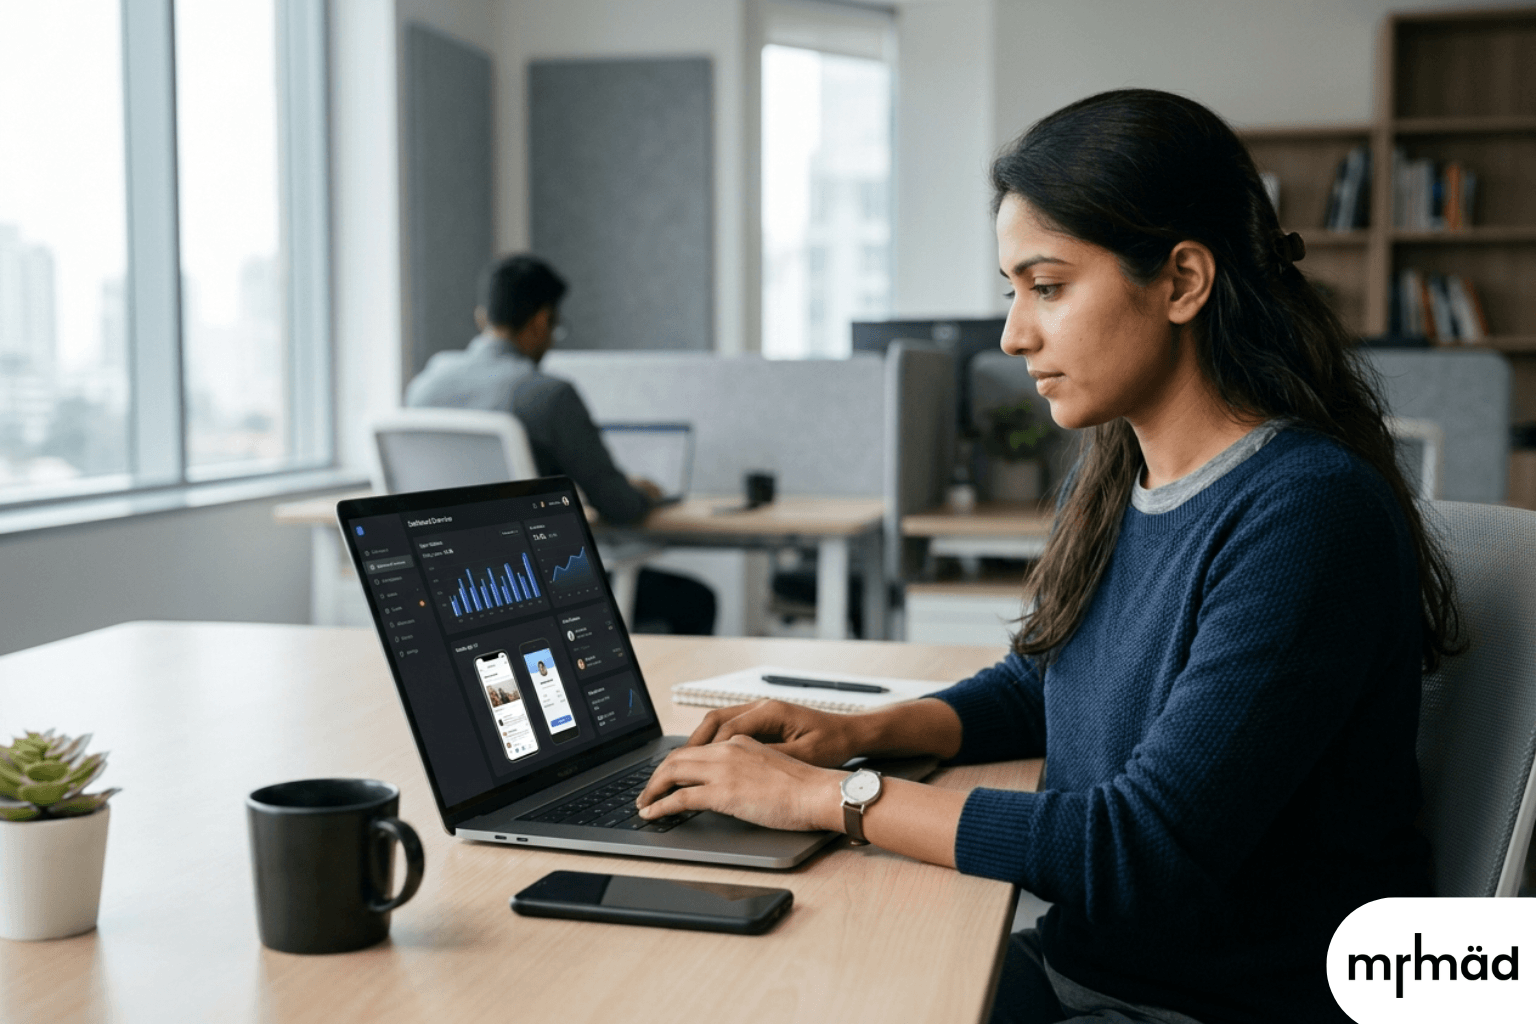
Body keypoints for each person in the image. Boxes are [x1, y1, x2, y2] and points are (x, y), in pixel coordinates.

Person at [634, 89, 1457, 1024]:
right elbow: (1046, 682)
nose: (1013, 333)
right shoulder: (1116, 472)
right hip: (1100, 969)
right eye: (1011, 290)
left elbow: (1143, 847)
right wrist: (863, 731)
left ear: (1183, 281)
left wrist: (831, 797)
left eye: (1049, 286)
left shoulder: (1306, 513)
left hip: (1220, 1002)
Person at [405, 254, 716, 636]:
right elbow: (620, 506)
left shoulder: (423, 388)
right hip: (533, 591)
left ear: (482, 317)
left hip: (444, 588)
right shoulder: (548, 396)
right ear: (540, 321)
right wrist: (640, 491)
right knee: (696, 600)